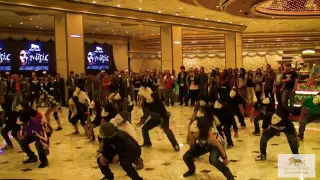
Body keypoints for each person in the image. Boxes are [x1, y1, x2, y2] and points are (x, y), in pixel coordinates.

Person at [183, 114, 234, 179]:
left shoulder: (209, 133)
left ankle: (230, 177)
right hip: (203, 144)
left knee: (213, 160)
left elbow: (219, 144)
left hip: (215, 146)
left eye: (194, 132)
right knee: (186, 156)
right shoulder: (192, 130)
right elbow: (191, 143)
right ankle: (191, 170)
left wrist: (224, 157)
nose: (193, 134)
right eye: (192, 132)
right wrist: (193, 154)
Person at [137, 82, 180, 151]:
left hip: (163, 116)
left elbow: (162, 111)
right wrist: (141, 121)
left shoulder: (156, 99)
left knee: (166, 130)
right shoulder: (145, 103)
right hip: (155, 118)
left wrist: (162, 120)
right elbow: (146, 114)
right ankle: (147, 143)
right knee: (144, 127)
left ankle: (175, 144)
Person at [18, 103, 51, 168]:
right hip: (34, 134)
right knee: (23, 142)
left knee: (38, 144)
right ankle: (32, 157)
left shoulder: (36, 125)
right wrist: (22, 137)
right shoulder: (26, 123)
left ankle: (44, 161)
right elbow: (25, 132)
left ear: (25, 121)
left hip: (43, 134)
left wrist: (46, 147)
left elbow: (44, 137)